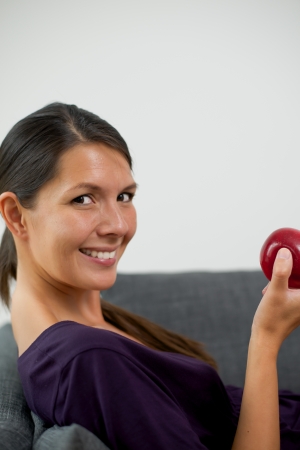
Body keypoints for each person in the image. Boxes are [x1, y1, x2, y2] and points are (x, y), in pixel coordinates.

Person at [0, 103, 300, 450]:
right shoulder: (87, 360)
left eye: (124, 196)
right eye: (83, 199)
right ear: (16, 216)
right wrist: (266, 339)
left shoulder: (87, 320)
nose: (119, 226)